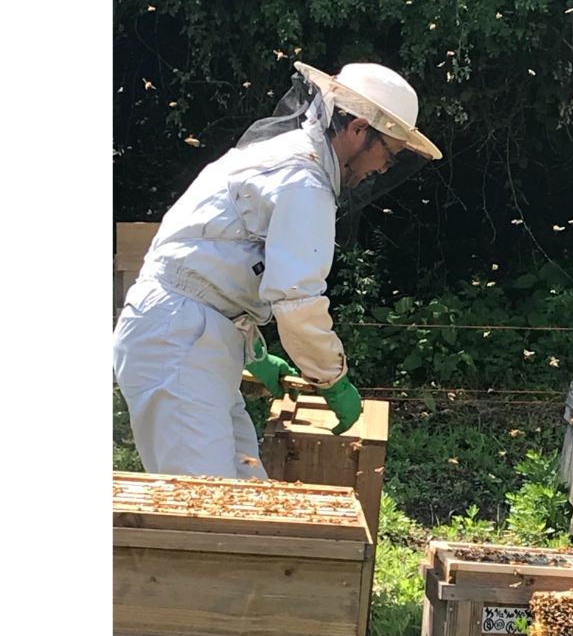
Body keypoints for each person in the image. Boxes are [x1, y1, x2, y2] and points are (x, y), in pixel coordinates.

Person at [113, 61, 441, 478]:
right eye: (389, 155)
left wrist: (256, 351)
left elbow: (214, 259)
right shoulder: (303, 179)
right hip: (177, 344)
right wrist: (331, 378)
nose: (383, 168)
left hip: (191, 336)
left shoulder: (286, 158)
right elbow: (297, 299)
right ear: (359, 129)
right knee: (208, 516)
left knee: (246, 495)